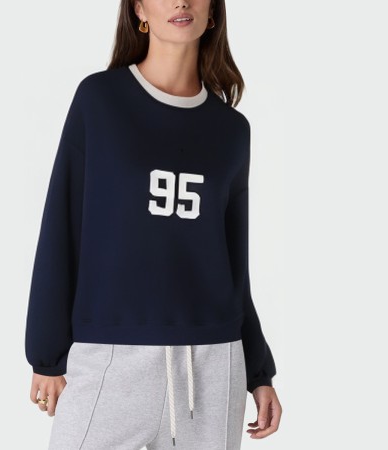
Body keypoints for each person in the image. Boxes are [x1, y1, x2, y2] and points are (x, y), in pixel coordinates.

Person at [24, 1, 282, 448]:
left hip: (212, 364)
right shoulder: (100, 101)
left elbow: (233, 261)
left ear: (213, 12)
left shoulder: (231, 130)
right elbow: (62, 226)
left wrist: (259, 371)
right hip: (110, 354)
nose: (181, 2)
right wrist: (46, 353)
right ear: (139, 9)